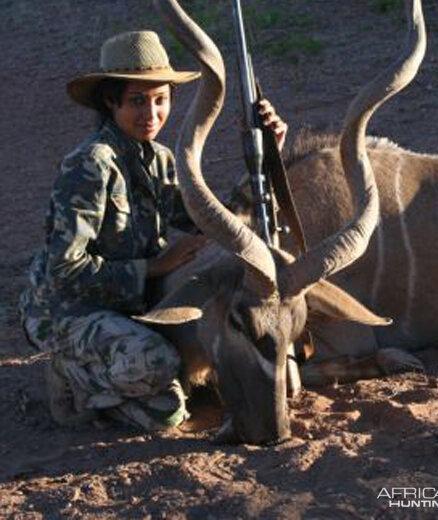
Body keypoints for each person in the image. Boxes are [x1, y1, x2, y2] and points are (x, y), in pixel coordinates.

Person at [19, 30, 287, 431]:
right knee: (161, 369)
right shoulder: (91, 164)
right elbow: (65, 272)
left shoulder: (160, 159)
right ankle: (70, 376)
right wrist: (155, 268)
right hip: (67, 311)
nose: (151, 113)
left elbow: (216, 222)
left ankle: (120, 389)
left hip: (133, 307)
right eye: (137, 101)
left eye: (160, 100)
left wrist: (269, 156)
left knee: (186, 396)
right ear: (110, 102)